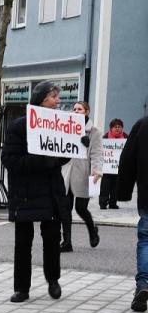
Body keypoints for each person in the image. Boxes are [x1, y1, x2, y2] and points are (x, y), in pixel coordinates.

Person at [1, 81, 70, 303]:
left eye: (57, 97)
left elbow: (60, 156)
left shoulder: (58, 124)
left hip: (50, 192)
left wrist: (75, 146)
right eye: (53, 97)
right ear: (41, 100)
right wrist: (42, 160)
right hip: (25, 193)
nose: (58, 101)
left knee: (52, 239)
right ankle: (22, 288)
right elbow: (10, 160)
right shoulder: (19, 126)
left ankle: (53, 280)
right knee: (23, 242)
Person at [59, 101, 102, 252]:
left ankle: (92, 230)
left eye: (79, 109)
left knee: (80, 208)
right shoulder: (66, 128)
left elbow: (97, 153)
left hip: (83, 173)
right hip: (67, 171)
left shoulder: (94, 132)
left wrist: (97, 171)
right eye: (74, 109)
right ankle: (67, 242)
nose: (76, 111)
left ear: (87, 111)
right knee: (65, 208)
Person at [116, 116, 148, 311]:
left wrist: (123, 191)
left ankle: (143, 284)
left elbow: (127, 158)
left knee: (146, 240)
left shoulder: (143, 125)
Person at [100, 118, 127, 209]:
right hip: (107, 167)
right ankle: (103, 203)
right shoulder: (105, 137)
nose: (117, 129)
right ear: (111, 128)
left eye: (119, 127)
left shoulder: (126, 137)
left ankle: (113, 203)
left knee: (116, 187)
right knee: (105, 186)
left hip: (119, 167)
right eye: (115, 127)